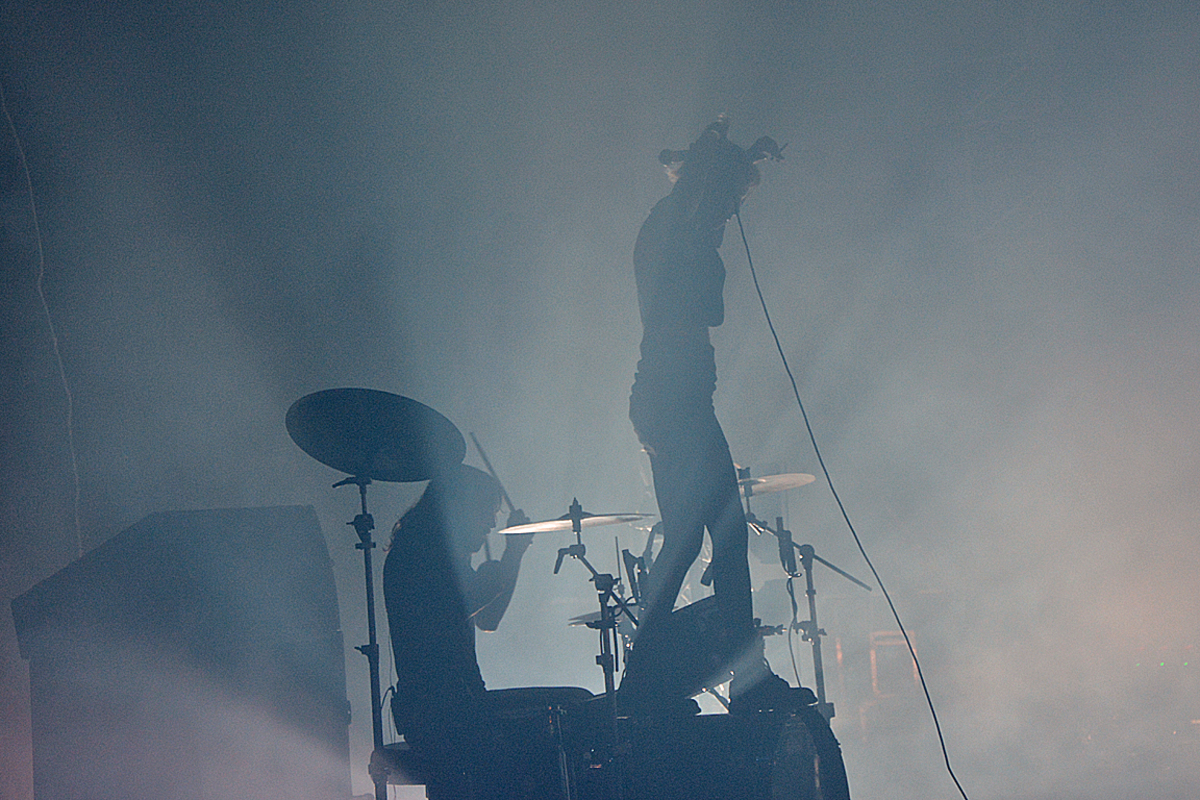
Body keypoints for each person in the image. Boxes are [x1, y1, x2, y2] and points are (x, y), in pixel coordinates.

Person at [624, 117, 799, 712]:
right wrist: (721, 164)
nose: (730, 217)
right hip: (674, 401)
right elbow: (710, 306)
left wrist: (738, 160)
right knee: (714, 533)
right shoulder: (675, 232)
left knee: (701, 536)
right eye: (728, 205)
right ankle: (731, 677)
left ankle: (655, 675)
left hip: (675, 400)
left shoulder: (677, 228)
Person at [384, 464, 570, 798]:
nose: (492, 523)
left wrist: (513, 554)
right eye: (487, 511)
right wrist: (511, 555)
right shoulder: (423, 553)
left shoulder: (427, 548)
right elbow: (477, 597)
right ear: (461, 507)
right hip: (443, 711)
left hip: (453, 705)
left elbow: (489, 618)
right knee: (567, 713)